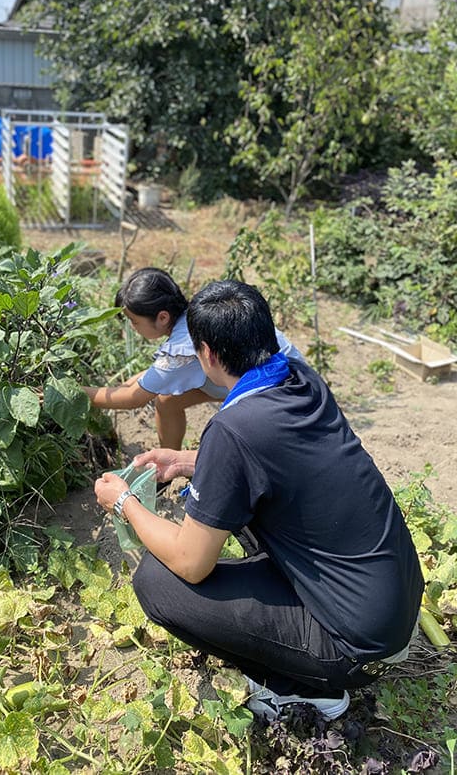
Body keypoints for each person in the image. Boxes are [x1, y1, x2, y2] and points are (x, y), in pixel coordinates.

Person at [93, 280, 423, 721]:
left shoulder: (233, 429)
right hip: (395, 608)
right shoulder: (299, 378)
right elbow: (273, 463)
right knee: (240, 504)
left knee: (157, 582)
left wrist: (125, 503)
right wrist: (186, 460)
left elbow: (192, 563)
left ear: (206, 353)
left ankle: (298, 690)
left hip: (355, 651)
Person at [83, 267, 302, 450]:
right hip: (278, 370)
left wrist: (77, 392)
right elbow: (151, 378)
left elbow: (133, 399)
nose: (132, 327)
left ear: (162, 317)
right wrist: (123, 386)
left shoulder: (180, 350)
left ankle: (174, 463)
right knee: (167, 400)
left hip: (279, 388)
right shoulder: (194, 315)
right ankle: (168, 464)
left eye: (134, 321)